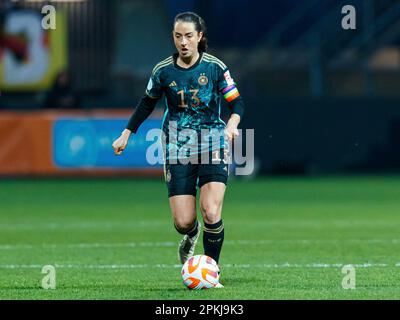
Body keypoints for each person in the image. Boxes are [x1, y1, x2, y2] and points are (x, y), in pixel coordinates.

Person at [112, 12, 244, 286]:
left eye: (188, 36)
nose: (183, 42)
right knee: (183, 222)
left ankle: (211, 271)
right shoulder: (162, 71)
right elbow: (147, 103)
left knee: (211, 210)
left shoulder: (215, 68)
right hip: (177, 146)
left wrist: (232, 123)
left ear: (199, 37)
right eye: (177, 36)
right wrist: (127, 133)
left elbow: (236, 103)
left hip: (212, 142)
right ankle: (191, 234)